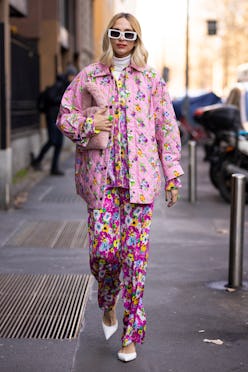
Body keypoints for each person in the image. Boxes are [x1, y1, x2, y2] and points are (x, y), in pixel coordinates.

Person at [56, 13, 184, 362]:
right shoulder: (89, 77)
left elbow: (167, 130)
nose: (122, 38)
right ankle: (107, 299)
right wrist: (89, 122)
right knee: (104, 254)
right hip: (101, 184)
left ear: (137, 39)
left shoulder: (151, 81)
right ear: (108, 37)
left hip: (140, 186)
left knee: (136, 261)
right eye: (116, 32)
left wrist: (172, 174)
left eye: (129, 33)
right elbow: (64, 117)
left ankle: (131, 333)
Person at [31, 65, 77, 175]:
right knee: (52, 140)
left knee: (59, 144)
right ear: (68, 75)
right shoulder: (59, 84)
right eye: (72, 75)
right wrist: (63, 99)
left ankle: (54, 168)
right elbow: (52, 98)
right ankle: (37, 160)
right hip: (52, 116)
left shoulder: (68, 85)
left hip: (59, 117)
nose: (73, 77)